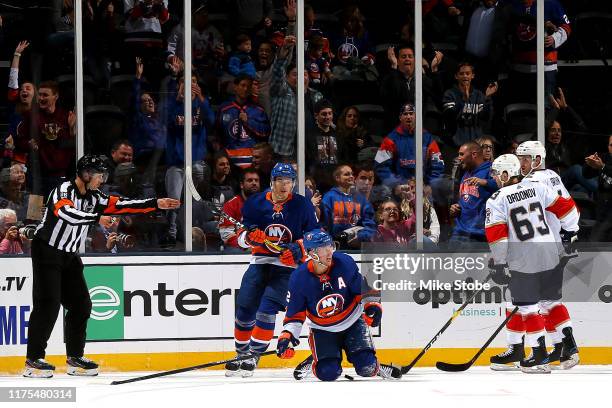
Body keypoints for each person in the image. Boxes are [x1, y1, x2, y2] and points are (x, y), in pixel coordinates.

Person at [23, 154, 180, 378]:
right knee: (48, 305)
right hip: (47, 251)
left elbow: (121, 204)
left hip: (68, 254)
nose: (102, 179)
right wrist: (97, 218)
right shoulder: (63, 190)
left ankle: (75, 359)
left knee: (81, 305)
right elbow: (66, 213)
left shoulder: (94, 196)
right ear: (85, 174)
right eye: (99, 175)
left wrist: (155, 203)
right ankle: (33, 361)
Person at [488, 141, 580, 370]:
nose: (523, 162)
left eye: (526, 158)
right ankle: (562, 346)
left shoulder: (500, 196)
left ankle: (535, 353)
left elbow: (497, 234)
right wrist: (570, 233)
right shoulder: (547, 181)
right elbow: (569, 209)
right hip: (550, 247)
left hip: (524, 254)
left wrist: (500, 262)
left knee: (527, 305)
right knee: (547, 301)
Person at [225, 163, 318, 377]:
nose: (285, 185)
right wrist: (249, 237)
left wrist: (298, 249)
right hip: (259, 262)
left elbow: (316, 236)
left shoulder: (302, 205)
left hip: (287, 268)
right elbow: (241, 238)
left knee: (266, 309)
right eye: (280, 180)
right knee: (245, 309)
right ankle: (241, 354)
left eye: (289, 181)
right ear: (272, 182)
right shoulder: (255, 204)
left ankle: (253, 356)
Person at [276, 230, 401, 380]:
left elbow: (362, 290)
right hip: (322, 329)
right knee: (328, 373)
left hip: (353, 322)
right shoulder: (299, 278)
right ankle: (317, 359)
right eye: (324, 248)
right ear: (312, 253)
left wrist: (372, 305)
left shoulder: (345, 263)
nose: (330, 252)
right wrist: (287, 336)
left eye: (330, 246)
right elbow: (295, 314)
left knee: (367, 368)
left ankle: (376, 366)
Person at [375, 103, 444, 188]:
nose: (408, 117)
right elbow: (380, 166)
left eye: (411, 113)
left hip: (423, 189)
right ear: (400, 118)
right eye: (405, 114)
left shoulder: (427, 138)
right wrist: (395, 186)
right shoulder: (390, 139)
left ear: (416, 116)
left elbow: (438, 164)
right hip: (399, 189)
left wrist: (430, 186)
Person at [217, 74, 271, 169]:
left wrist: (248, 121)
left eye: (248, 86)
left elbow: (266, 132)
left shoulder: (258, 110)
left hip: (252, 161)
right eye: (243, 85)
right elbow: (217, 132)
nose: (246, 89)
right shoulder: (224, 109)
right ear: (235, 87)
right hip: (229, 161)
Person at [449, 141, 498, 244]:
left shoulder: (491, 169)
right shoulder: (466, 173)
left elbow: (502, 186)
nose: (459, 158)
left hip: (477, 235)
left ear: (474, 154)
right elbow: (467, 198)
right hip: (459, 232)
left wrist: (485, 182)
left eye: (462, 154)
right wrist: (456, 208)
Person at [321, 165, 376, 249]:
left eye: (352, 174)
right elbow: (323, 223)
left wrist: (361, 237)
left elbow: (370, 225)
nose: (351, 176)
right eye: (346, 174)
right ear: (337, 178)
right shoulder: (329, 197)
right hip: (335, 246)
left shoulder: (361, 199)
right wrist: (329, 241)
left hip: (357, 247)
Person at [442, 62, 497, 147]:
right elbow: (449, 118)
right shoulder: (450, 94)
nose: (465, 76)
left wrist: (487, 98)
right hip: (456, 145)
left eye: (468, 73)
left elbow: (486, 119)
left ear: (472, 76)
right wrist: (463, 100)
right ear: (456, 76)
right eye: (461, 74)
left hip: (477, 145)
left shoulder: (479, 95)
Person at [219, 168, 260, 252]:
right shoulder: (230, 205)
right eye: (250, 180)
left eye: (256, 180)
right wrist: (246, 245)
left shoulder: (267, 203)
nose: (254, 183)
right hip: (238, 248)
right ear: (241, 185)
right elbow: (226, 235)